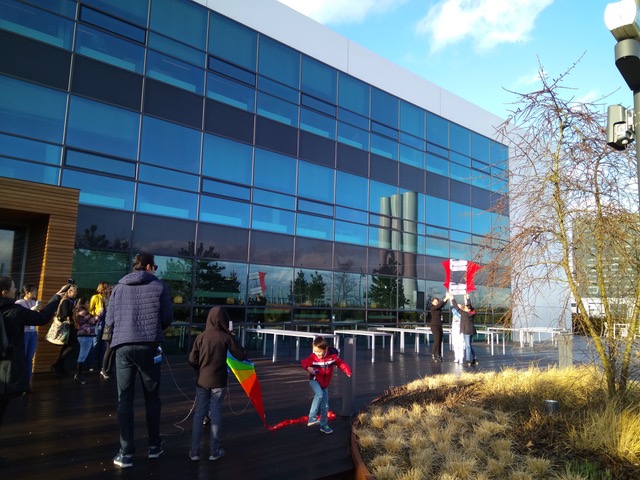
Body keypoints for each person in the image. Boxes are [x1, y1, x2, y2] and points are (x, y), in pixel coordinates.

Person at [105, 253, 173, 469]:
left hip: (123, 347)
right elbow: (166, 318)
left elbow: (109, 320)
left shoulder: (118, 287)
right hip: (149, 345)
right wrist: (154, 332)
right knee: (152, 398)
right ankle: (154, 446)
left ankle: (126, 453)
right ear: (149, 266)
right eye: (155, 266)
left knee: (124, 399)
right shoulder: (160, 286)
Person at [1, 276, 65, 466]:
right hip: (6, 368)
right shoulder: (15, 311)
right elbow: (42, 318)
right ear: (4, 291)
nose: (15, 291)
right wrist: (56, 297)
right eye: (13, 288)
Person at [187, 306, 246, 462]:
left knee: (199, 413)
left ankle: (194, 451)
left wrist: (200, 369)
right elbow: (241, 355)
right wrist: (233, 337)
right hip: (219, 380)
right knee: (216, 412)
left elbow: (192, 360)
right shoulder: (225, 337)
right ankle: (214, 450)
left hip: (202, 380)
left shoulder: (201, 337)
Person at [300, 336, 351, 435]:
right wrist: (308, 368)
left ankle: (324, 425)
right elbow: (304, 363)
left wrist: (347, 370)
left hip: (324, 384)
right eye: (315, 351)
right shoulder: (313, 357)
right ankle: (312, 417)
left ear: (326, 349)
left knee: (325, 406)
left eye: (319, 352)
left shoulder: (332, 357)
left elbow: (340, 363)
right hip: (314, 380)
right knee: (319, 394)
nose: (317, 354)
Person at [14, 284, 41, 390]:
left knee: (29, 358)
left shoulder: (34, 302)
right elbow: (20, 317)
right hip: (24, 332)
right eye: (34, 291)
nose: (35, 293)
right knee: (22, 357)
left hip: (33, 332)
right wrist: (32, 310)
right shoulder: (19, 303)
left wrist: (39, 311)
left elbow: (37, 318)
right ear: (27, 292)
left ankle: (27, 382)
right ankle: (19, 381)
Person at [72, 297, 103, 385]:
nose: (89, 304)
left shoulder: (78, 311)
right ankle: (78, 374)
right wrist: (99, 313)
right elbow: (93, 321)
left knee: (83, 354)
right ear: (84, 303)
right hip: (85, 335)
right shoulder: (83, 312)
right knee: (83, 355)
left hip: (84, 335)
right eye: (88, 303)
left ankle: (78, 374)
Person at [50, 283, 78, 376]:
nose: (76, 293)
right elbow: (65, 314)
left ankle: (60, 366)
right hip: (67, 326)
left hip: (69, 327)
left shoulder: (70, 301)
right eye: (75, 291)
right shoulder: (66, 301)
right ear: (69, 291)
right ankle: (58, 365)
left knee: (67, 346)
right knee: (71, 346)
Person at [89, 282, 110, 375]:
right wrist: (95, 317)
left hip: (106, 321)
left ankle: (102, 364)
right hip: (98, 321)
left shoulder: (108, 298)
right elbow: (90, 309)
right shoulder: (95, 297)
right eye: (107, 287)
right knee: (96, 342)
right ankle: (92, 364)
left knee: (104, 344)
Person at [452, 293, 477, 367]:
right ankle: (475, 359)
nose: (464, 308)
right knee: (470, 345)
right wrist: (467, 298)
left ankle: (468, 360)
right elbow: (469, 306)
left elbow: (456, 307)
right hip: (472, 330)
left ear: (468, 309)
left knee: (467, 346)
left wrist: (452, 298)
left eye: (465, 308)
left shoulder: (464, 314)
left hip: (466, 331)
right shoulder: (472, 313)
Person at [429, 293, 450, 361]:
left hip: (439, 325)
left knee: (440, 340)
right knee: (437, 340)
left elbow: (442, 304)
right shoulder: (433, 308)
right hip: (434, 326)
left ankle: (439, 355)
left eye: (437, 301)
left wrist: (447, 298)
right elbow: (440, 305)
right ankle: (433, 355)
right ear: (432, 302)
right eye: (435, 302)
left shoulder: (438, 308)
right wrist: (445, 298)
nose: (436, 303)